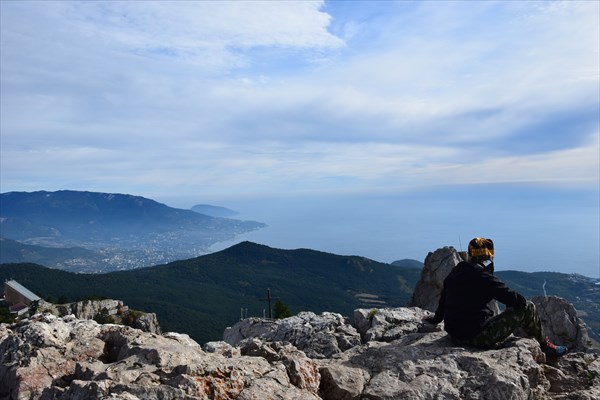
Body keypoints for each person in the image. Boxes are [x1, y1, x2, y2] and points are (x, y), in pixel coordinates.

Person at [423, 237, 567, 357]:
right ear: (488, 257)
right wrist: (510, 303)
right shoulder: (484, 278)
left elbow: (443, 300)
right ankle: (545, 346)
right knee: (528, 307)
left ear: (470, 254)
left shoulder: (455, 272)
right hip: (474, 337)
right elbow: (519, 301)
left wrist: (435, 319)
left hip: (453, 334)